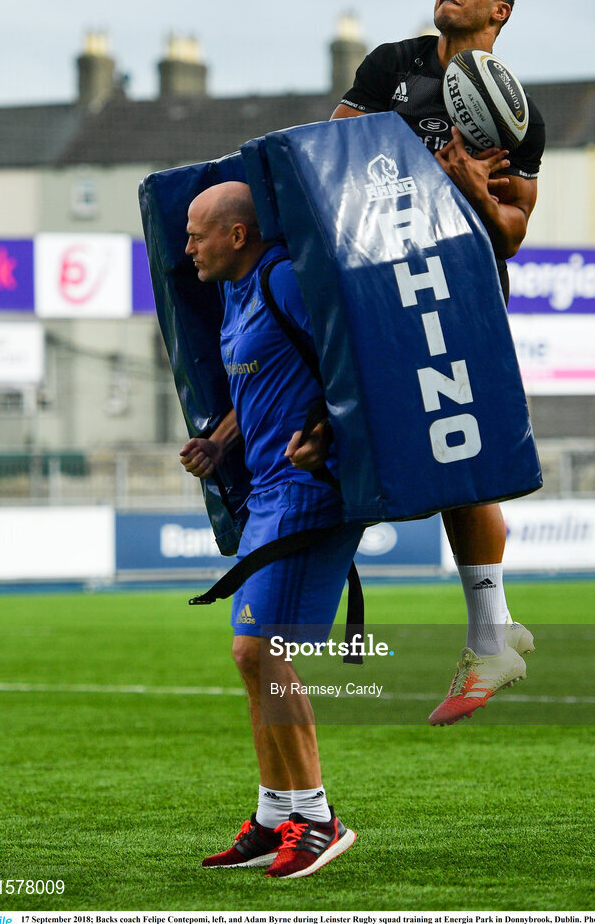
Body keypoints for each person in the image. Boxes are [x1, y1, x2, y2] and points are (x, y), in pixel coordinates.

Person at [331, 0, 544, 726]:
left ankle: (490, 631)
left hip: (465, 290)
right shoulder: (392, 65)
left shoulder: (517, 111)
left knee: (466, 462)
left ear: (500, 12)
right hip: (384, 284)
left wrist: (466, 189)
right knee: (390, 444)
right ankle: (489, 629)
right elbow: (334, 163)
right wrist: (423, 170)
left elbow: (514, 231)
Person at [180, 181, 363, 878]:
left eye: (198, 233)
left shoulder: (285, 276)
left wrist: (321, 434)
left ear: (237, 234)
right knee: (251, 656)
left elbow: (351, 362)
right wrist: (222, 441)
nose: (187, 245)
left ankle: (317, 820)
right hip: (267, 494)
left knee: (261, 652)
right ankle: (273, 816)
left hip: (310, 490)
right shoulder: (236, 289)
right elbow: (262, 383)